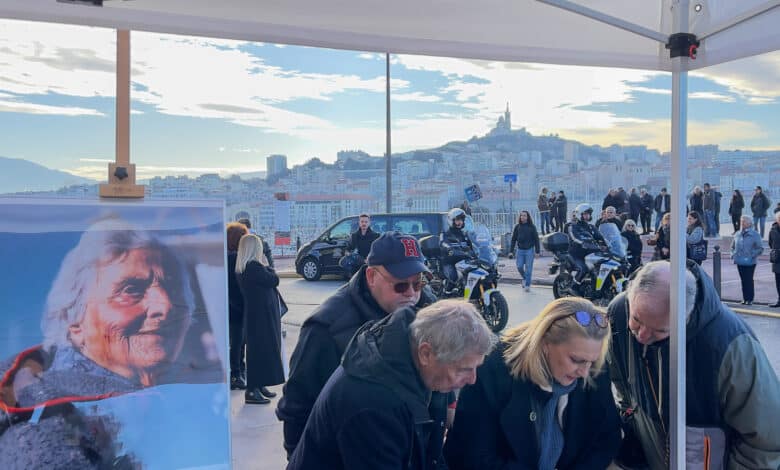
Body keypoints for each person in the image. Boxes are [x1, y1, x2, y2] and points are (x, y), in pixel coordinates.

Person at [0, 218, 197, 467]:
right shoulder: (45, 422)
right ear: (73, 320)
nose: (166, 306)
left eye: (172, 287)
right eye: (131, 289)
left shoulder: (185, 398)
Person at [607, 261, 780, 470]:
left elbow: (766, 441)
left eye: (660, 331)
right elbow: (619, 382)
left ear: (686, 318)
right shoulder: (618, 312)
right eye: (636, 320)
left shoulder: (731, 345)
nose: (641, 336)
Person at [276, 231, 435, 457]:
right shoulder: (326, 328)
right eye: (400, 285)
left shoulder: (427, 308)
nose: (411, 294)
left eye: (418, 284)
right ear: (371, 276)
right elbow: (296, 409)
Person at [289, 300, 496, 470]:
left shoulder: (418, 363)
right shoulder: (374, 405)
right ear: (426, 354)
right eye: (463, 369)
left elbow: (430, 458)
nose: (472, 380)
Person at [443, 297, 621, 469]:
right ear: (545, 343)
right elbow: (472, 455)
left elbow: (607, 438)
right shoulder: (493, 369)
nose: (583, 372)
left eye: (591, 361)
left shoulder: (591, 364)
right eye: (575, 360)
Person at [235, 234, 285, 404]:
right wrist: (268, 265)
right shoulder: (254, 267)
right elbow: (274, 279)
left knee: (260, 350)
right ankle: (252, 389)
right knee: (259, 351)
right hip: (261, 317)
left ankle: (259, 384)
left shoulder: (245, 267)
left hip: (257, 315)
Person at [227, 222, 249, 390]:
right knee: (237, 342)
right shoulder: (235, 258)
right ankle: (236, 373)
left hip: (231, 306)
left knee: (238, 342)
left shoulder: (227, 256)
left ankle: (238, 371)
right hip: (237, 306)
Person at [731, 215, 763, 305]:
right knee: (743, 280)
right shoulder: (737, 234)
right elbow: (732, 246)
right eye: (741, 221)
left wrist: (751, 255)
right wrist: (733, 255)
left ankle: (750, 299)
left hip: (750, 262)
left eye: (744, 221)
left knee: (748, 280)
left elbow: (760, 248)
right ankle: (745, 298)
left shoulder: (755, 234)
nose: (742, 223)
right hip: (739, 261)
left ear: (749, 223)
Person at [567, 203, 604, 283]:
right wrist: (583, 243)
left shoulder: (591, 227)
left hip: (590, 254)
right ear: (579, 214)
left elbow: (600, 237)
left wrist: (607, 244)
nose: (588, 216)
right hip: (577, 255)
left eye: (589, 214)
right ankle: (574, 288)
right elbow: (574, 238)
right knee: (583, 269)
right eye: (585, 214)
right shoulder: (573, 226)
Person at [440, 207, 474, 293]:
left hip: (464, 261)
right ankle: (445, 294)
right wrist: (448, 248)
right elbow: (443, 243)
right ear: (451, 221)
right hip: (450, 262)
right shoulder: (445, 234)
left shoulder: (464, 235)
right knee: (453, 278)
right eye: (457, 220)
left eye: (461, 220)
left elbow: (473, 246)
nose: (460, 222)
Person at [509, 210, 540, 292]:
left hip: (529, 250)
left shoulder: (532, 227)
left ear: (527, 217)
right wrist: (511, 251)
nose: (522, 217)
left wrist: (537, 251)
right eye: (521, 215)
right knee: (519, 267)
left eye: (524, 215)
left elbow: (536, 239)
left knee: (528, 269)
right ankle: (525, 278)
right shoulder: (517, 227)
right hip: (520, 250)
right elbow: (513, 239)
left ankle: (527, 285)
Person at [768, 211, 780, 308]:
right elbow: (770, 243)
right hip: (777, 259)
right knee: (778, 282)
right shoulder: (773, 230)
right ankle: (779, 300)